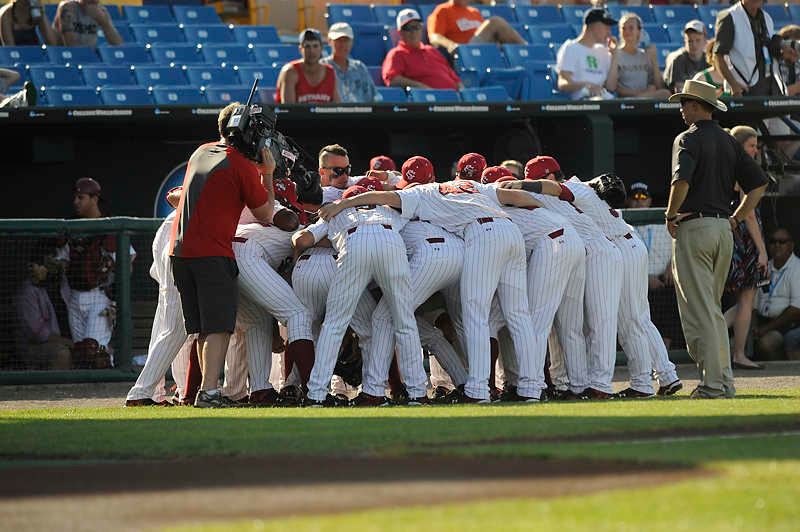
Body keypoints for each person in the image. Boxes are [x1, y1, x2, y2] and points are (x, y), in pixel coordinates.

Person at [665, 79, 768, 399]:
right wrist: (736, 217)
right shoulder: (728, 140)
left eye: (686, 103)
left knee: (700, 311)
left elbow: (681, 182)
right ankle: (723, 381)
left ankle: (713, 385)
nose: (682, 108)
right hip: (724, 230)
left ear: (698, 106)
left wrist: (670, 215)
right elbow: (759, 185)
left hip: (695, 227)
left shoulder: (687, 138)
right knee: (710, 308)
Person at [168, 102, 276, 408]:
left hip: (181, 253)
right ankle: (210, 393)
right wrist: (266, 174)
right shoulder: (239, 165)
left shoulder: (201, 151)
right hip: (211, 253)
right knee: (218, 327)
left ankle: (207, 390)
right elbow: (266, 213)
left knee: (204, 328)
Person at [54, 177, 135, 358]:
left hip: (100, 297)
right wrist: (53, 266)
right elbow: (61, 262)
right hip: (74, 296)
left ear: (94, 199)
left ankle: (109, 383)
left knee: (94, 350)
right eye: (75, 197)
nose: (75, 202)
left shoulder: (109, 226)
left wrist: (111, 277)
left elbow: (128, 261)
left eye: (80, 197)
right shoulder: (72, 228)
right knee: (80, 352)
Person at [724, 125, 769, 370]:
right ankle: (739, 354)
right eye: (751, 145)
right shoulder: (742, 168)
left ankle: (716, 334)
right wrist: (762, 251)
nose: (755, 150)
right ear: (740, 146)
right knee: (747, 297)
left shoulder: (726, 167)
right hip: (745, 239)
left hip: (733, 235)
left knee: (744, 299)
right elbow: (748, 213)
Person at [627, 182, 684, 351]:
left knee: (672, 298)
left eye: (643, 197)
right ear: (628, 202)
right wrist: (645, 278)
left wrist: (670, 268)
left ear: (650, 201)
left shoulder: (662, 224)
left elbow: (678, 247)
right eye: (634, 198)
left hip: (663, 281)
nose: (639, 202)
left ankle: (663, 352)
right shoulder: (623, 225)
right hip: (635, 282)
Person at [713, 0, 798, 97]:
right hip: (743, 90)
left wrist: (785, 54)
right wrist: (734, 85)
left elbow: (765, 52)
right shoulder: (729, 16)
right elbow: (717, 56)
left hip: (769, 88)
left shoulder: (767, 18)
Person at [15, 249, 73, 370]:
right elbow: (39, 334)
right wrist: (72, 344)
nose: (33, 269)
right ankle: (59, 389)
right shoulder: (28, 291)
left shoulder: (63, 283)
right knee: (62, 353)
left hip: (68, 340)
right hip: (35, 346)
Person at [382, 8, 464, 90]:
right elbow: (392, 79)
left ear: (421, 29)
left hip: (453, 98)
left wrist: (463, 95)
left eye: (416, 27)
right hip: (428, 100)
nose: (413, 32)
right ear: (400, 33)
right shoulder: (396, 54)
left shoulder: (432, 51)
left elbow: (456, 80)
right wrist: (420, 87)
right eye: (408, 28)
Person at [753, 227, 800, 360]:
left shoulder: (797, 268)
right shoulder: (764, 266)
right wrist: (753, 328)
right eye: (773, 242)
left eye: (782, 241)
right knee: (733, 343)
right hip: (762, 323)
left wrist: (765, 329)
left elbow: (796, 310)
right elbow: (752, 305)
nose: (777, 245)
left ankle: (778, 376)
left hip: (786, 326)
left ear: (791, 246)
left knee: (766, 344)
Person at [555, 8, 619, 100]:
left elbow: (611, 87)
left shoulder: (603, 51)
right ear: (595, 26)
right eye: (606, 27)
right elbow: (562, 84)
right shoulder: (571, 48)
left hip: (604, 99)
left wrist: (615, 55)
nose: (609, 32)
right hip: (583, 102)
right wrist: (587, 85)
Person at [426, 0, 526, 56]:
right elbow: (434, 37)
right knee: (495, 22)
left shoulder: (474, 11)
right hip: (466, 50)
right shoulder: (443, 10)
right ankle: (529, 49)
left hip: (483, 49)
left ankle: (526, 52)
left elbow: (485, 35)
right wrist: (451, 45)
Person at [611, 13, 670, 99]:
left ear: (639, 31)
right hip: (626, 100)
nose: (627, 31)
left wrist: (654, 60)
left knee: (666, 93)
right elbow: (615, 88)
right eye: (623, 28)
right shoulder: (616, 55)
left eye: (631, 28)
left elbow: (658, 86)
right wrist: (639, 94)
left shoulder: (645, 56)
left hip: (646, 98)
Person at [276, 28, 340, 104]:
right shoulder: (290, 72)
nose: (312, 51)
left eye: (315, 46)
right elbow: (288, 111)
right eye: (307, 47)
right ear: (300, 49)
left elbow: (337, 108)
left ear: (321, 48)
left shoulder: (330, 72)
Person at [321, 22, 376, 104]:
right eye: (338, 40)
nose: (343, 44)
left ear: (352, 42)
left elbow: (372, 98)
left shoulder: (360, 67)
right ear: (329, 41)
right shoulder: (322, 67)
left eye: (346, 40)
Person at [53, 0, 123, 48]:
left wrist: (104, 23)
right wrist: (95, 50)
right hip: (66, 56)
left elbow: (118, 45)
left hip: (87, 57)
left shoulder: (101, 11)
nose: (94, 1)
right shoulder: (68, 7)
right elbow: (70, 45)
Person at [664, 20, 709, 94]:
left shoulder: (709, 60)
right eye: (690, 41)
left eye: (698, 40)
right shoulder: (678, 60)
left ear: (705, 40)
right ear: (685, 41)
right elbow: (679, 89)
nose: (694, 45)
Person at [778, 25, 800, 96]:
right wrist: (796, 88)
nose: (795, 51)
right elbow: (775, 95)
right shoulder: (773, 66)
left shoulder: (798, 64)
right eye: (793, 45)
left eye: (798, 46)